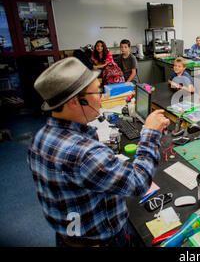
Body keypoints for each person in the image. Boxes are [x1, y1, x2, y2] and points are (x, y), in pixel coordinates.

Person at [28, 57, 170, 247]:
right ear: (74, 102)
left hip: (69, 237)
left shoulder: (40, 137)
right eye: (98, 91)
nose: (102, 97)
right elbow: (138, 183)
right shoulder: (83, 153)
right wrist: (151, 133)